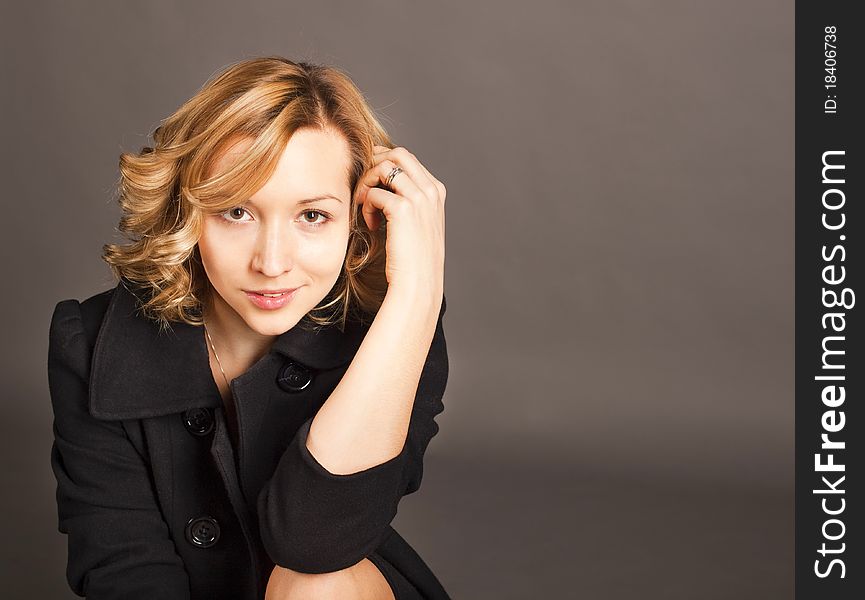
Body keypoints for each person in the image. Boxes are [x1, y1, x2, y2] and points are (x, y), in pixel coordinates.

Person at [47, 56, 449, 599]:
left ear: (358, 219)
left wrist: (417, 292)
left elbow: (315, 541)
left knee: (313, 587)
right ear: (186, 211)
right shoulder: (92, 343)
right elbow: (123, 571)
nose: (272, 262)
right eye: (236, 211)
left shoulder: (397, 325)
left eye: (313, 216)